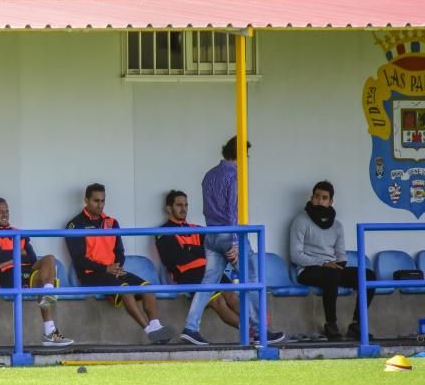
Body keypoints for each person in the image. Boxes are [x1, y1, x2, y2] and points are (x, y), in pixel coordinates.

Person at [183, 137, 286, 345]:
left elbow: (206, 208)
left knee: (208, 283)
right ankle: (261, 331)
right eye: (245, 155)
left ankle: (190, 327)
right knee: (252, 281)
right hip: (231, 234)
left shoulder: (209, 175)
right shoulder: (234, 175)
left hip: (211, 234)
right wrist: (235, 242)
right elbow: (231, 211)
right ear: (239, 154)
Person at [65, 183, 174, 344]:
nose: (100, 205)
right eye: (96, 201)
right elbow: (79, 260)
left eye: (103, 201)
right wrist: (105, 268)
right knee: (126, 290)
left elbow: (119, 251)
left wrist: (115, 267)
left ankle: (156, 325)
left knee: (148, 287)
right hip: (91, 274)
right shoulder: (74, 225)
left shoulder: (112, 222)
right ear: (86, 200)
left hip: (113, 271)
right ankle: (148, 330)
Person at [0, 197, 73, 347]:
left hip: (25, 272)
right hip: (9, 275)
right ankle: (50, 332)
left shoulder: (17, 232)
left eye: (7, 211)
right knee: (42, 283)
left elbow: (31, 257)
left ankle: (49, 290)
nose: (5, 215)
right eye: (0, 212)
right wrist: (18, 256)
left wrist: (10, 258)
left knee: (49, 259)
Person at [290, 181, 376, 341]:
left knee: (368, 276)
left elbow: (341, 255)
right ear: (311, 198)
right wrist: (323, 263)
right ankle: (331, 324)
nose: (320, 201)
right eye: (317, 196)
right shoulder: (300, 221)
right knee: (331, 274)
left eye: (324, 198)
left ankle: (356, 325)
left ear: (331, 202)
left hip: (332, 269)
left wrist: (339, 264)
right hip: (307, 270)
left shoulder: (337, 226)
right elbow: (295, 255)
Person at [155, 190, 240, 334]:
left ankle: (260, 330)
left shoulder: (197, 229)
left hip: (208, 270)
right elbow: (175, 258)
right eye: (179, 205)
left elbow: (215, 251)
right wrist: (200, 250)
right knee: (218, 301)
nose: (184, 209)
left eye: (186, 205)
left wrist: (190, 248)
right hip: (187, 275)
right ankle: (251, 330)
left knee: (233, 296)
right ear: (168, 208)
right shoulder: (162, 231)